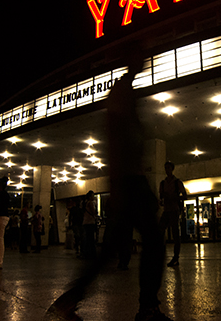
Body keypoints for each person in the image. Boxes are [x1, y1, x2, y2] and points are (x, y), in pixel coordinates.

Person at [106, 54, 171, 321]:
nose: (143, 59)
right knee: (154, 241)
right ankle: (148, 308)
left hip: (131, 178)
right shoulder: (121, 91)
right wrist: (120, 183)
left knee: (111, 249)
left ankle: (148, 306)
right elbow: (117, 139)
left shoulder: (126, 89)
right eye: (138, 55)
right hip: (128, 180)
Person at [158, 161, 186, 267]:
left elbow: (184, 195)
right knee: (160, 231)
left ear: (172, 169)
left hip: (173, 210)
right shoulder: (163, 183)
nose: (167, 170)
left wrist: (174, 197)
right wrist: (162, 200)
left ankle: (175, 257)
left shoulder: (176, 182)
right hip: (167, 210)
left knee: (175, 234)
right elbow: (161, 198)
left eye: (168, 168)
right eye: (165, 168)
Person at [82, 191, 97, 259]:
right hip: (90, 222)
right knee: (91, 238)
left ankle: (86, 252)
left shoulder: (84, 203)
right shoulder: (90, 203)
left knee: (87, 238)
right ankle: (92, 252)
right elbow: (93, 212)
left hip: (85, 222)